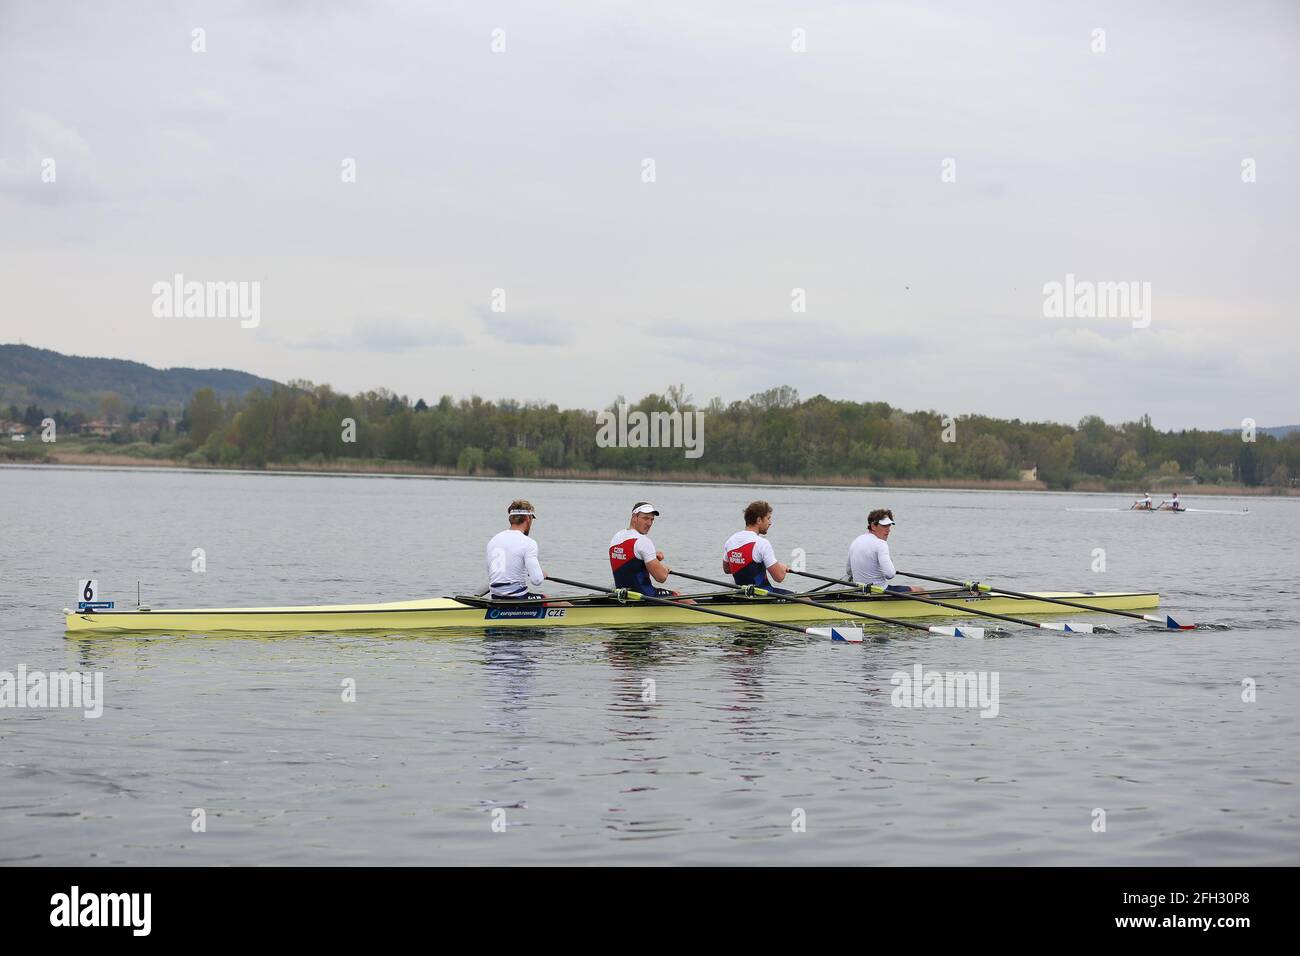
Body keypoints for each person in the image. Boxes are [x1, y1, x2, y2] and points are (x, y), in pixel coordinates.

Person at [608, 502, 679, 597]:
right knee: (678, 595)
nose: (649, 523)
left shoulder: (617, 537)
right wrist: (665, 569)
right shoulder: (643, 541)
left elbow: (631, 562)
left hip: (622, 594)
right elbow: (661, 578)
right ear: (634, 517)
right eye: (645, 518)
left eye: (652, 519)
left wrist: (652, 557)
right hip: (645, 596)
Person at [845, 508, 922, 592]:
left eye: (889, 525)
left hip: (859, 591)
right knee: (920, 590)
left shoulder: (856, 541)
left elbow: (849, 571)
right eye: (884, 526)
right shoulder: (880, 544)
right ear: (873, 526)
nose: (888, 530)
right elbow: (890, 574)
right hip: (879, 591)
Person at [484, 500, 548, 600]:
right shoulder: (529, 543)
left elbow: (492, 573)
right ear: (528, 518)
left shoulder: (493, 540)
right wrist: (540, 575)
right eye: (532, 519)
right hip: (517, 597)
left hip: (495, 597)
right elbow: (536, 580)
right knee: (550, 599)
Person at [723, 500, 791, 592]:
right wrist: (782, 568)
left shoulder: (731, 540)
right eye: (768, 518)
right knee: (805, 598)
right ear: (759, 520)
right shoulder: (762, 543)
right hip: (763, 595)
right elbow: (779, 577)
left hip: (741, 594)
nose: (770, 522)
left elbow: (727, 569)